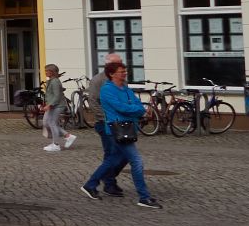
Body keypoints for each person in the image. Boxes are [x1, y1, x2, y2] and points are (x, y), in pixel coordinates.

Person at [83, 59, 159, 208]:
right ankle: (144, 197)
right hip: (116, 129)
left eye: (125, 71)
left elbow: (136, 103)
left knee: (112, 159)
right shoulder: (107, 89)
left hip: (128, 127)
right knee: (136, 161)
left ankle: (90, 184)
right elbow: (121, 107)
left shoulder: (125, 88)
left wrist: (138, 109)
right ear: (111, 74)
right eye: (121, 71)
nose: (124, 73)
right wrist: (140, 110)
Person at [85, 55, 126, 197]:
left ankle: (107, 179)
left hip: (121, 122)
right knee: (112, 154)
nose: (122, 67)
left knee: (124, 155)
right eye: (119, 64)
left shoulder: (120, 80)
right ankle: (107, 183)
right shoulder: (98, 80)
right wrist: (106, 118)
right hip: (105, 123)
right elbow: (93, 102)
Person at [39, 64, 75, 152]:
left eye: (47, 71)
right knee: (46, 122)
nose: (46, 72)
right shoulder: (51, 81)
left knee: (52, 123)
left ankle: (56, 144)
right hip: (53, 105)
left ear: (52, 72)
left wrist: (49, 105)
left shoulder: (55, 81)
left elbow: (57, 96)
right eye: (45, 70)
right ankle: (68, 136)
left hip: (57, 106)